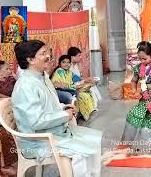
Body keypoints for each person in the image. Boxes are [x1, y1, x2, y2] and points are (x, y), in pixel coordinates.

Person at [12, 40, 102, 177]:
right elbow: (36, 121)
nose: (49, 56)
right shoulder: (26, 85)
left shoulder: (43, 77)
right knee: (82, 153)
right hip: (38, 141)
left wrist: (64, 108)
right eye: (43, 53)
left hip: (54, 131)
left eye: (48, 52)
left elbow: (50, 104)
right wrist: (65, 115)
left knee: (94, 142)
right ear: (30, 59)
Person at [51, 55, 96, 121]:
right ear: (60, 64)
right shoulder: (59, 71)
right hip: (61, 90)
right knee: (81, 95)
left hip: (71, 88)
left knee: (88, 92)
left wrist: (87, 81)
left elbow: (78, 79)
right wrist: (77, 86)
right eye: (64, 62)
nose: (66, 64)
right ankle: (76, 115)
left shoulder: (69, 72)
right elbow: (62, 85)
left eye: (68, 62)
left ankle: (84, 113)